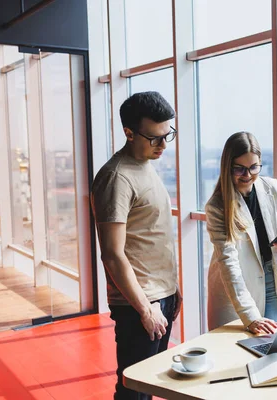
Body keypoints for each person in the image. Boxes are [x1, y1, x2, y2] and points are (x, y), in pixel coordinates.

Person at [91, 91, 181, 400]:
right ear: (129, 133)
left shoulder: (146, 164)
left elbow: (151, 235)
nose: (163, 145)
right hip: (139, 303)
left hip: (160, 295)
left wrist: (172, 288)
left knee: (152, 382)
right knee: (133, 390)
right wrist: (145, 308)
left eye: (168, 135)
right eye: (155, 138)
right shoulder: (116, 177)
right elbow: (112, 255)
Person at [205, 132, 277, 334]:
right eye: (239, 169)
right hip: (235, 292)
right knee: (237, 357)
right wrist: (251, 316)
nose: (247, 175)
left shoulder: (272, 188)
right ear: (227, 167)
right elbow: (229, 265)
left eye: (254, 167)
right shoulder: (217, 206)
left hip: (270, 282)